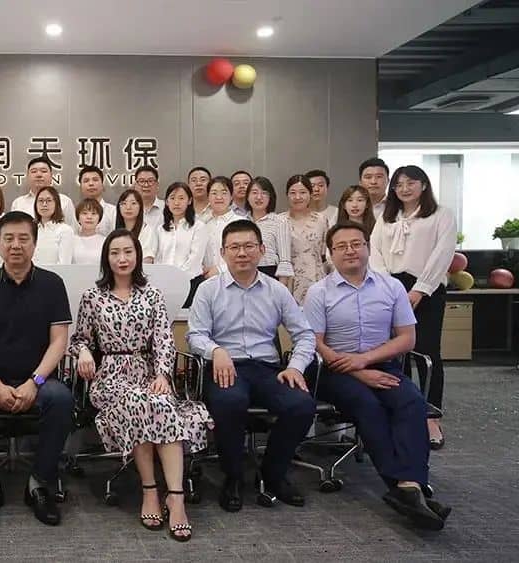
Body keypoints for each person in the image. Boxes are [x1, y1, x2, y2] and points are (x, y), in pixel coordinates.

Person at [305, 222, 450, 531]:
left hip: (380, 364)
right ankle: (406, 488)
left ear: (368, 248)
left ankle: (410, 487)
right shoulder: (319, 292)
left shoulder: (391, 287)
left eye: (356, 244)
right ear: (331, 253)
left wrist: (365, 362)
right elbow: (316, 343)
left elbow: (407, 339)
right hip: (334, 371)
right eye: (341, 246)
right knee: (367, 405)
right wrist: (358, 371)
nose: (350, 251)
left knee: (411, 403)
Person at [70, 229, 212, 541]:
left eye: (128, 252)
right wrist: (83, 352)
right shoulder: (92, 297)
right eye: (115, 253)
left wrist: (162, 375)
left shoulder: (152, 295)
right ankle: (149, 490)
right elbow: (79, 339)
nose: (122, 258)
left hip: (147, 372)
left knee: (158, 401)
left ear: (137, 256)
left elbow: (164, 341)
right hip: (109, 377)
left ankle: (175, 497)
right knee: (139, 402)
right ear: (106, 258)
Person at [0, 212, 74, 528]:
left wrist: (35, 382)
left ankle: (40, 484)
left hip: (39, 379)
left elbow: (59, 342)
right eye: (8, 238)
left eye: (23, 238)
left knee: (61, 399)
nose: (16, 245)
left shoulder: (52, 285)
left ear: (34, 243)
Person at [188, 220, 317, 513]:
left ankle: (273, 473)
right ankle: (232, 476)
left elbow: (305, 334)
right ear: (223, 252)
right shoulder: (208, 289)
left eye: (248, 246)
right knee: (229, 402)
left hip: (266, 369)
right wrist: (215, 350)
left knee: (301, 405)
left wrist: (296, 367)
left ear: (261, 250)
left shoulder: (276, 290)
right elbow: (195, 335)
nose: (242, 253)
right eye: (234, 247)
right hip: (225, 367)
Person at [370, 165, 456, 449]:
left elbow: (443, 253)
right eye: (399, 185)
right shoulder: (388, 217)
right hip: (391, 288)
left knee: (427, 351)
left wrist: (420, 290)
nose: (404, 189)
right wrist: (388, 287)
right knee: (395, 354)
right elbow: (375, 251)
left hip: (427, 289)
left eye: (410, 183)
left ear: (423, 185)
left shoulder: (441, 214)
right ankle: (403, 411)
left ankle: (431, 418)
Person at [142, 182, 209, 306]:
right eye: (172, 198)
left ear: (189, 201)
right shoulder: (161, 229)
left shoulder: (198, 227)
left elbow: (195, 259)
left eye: (181, 198)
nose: (176, 203)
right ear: (167, 202)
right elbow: (157, 258)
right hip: (164, 285)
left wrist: (177, 278)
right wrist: (164, 279)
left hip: (191, 283)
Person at [284, 174, 328, 304]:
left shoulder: (321, 220)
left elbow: (325, 254)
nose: (297, 197)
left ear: (310, 194)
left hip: (316, 279)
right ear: (287, 195)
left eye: (303, 192)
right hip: (289, 283)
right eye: (293, 193)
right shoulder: (279, 221)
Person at [245, 176, 294, 286]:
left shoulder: (280, 222)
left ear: (271, 197)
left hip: (270, 273)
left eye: (264, 193)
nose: (259, 197)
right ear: (247, 196)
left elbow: (285, 260)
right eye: (254, 192)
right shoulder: (241, 221)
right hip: (244, 273)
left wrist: (282, 288)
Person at [11, 157, 77, 228]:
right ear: (27, 176)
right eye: (34, 171)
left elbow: (73, 229)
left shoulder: (64, 201)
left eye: (44, 171)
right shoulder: (18, 203)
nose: (39, 175)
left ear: (51, 176)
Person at [201, 176, 244, 277]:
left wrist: (220, 269)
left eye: (224, 193)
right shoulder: (202, 223)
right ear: (208, 197)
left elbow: (247, 254)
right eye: (214, 193)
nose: (219, 197)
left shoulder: (241, 222)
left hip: (235, 277)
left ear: (231, 196)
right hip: (206, 279)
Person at [32, 186, 75, 265]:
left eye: (49, 200)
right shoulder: (32, 229)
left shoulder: (65, 230)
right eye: (40, 200)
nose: (44, 204)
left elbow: (64, 264)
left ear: (56, 204)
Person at [79, 165, 116, 236]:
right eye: (86, 181)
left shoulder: (113, 212)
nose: (91, 184)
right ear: (80, 187)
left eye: (95, 180)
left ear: (102, 185)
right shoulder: (76, 213)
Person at [72, 198, 107, 266]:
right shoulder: (71, 240)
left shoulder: (105, 241)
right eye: (84, 213)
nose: (89, 217)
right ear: (78, 218)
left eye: (94, 213)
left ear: (99, 219)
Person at [133, 165, 164, 231]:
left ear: (157, 185)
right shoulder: (129, 209)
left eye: (150, 181)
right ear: (135, 185)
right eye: (142, 181)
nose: (146, 185)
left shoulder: (166, 208)